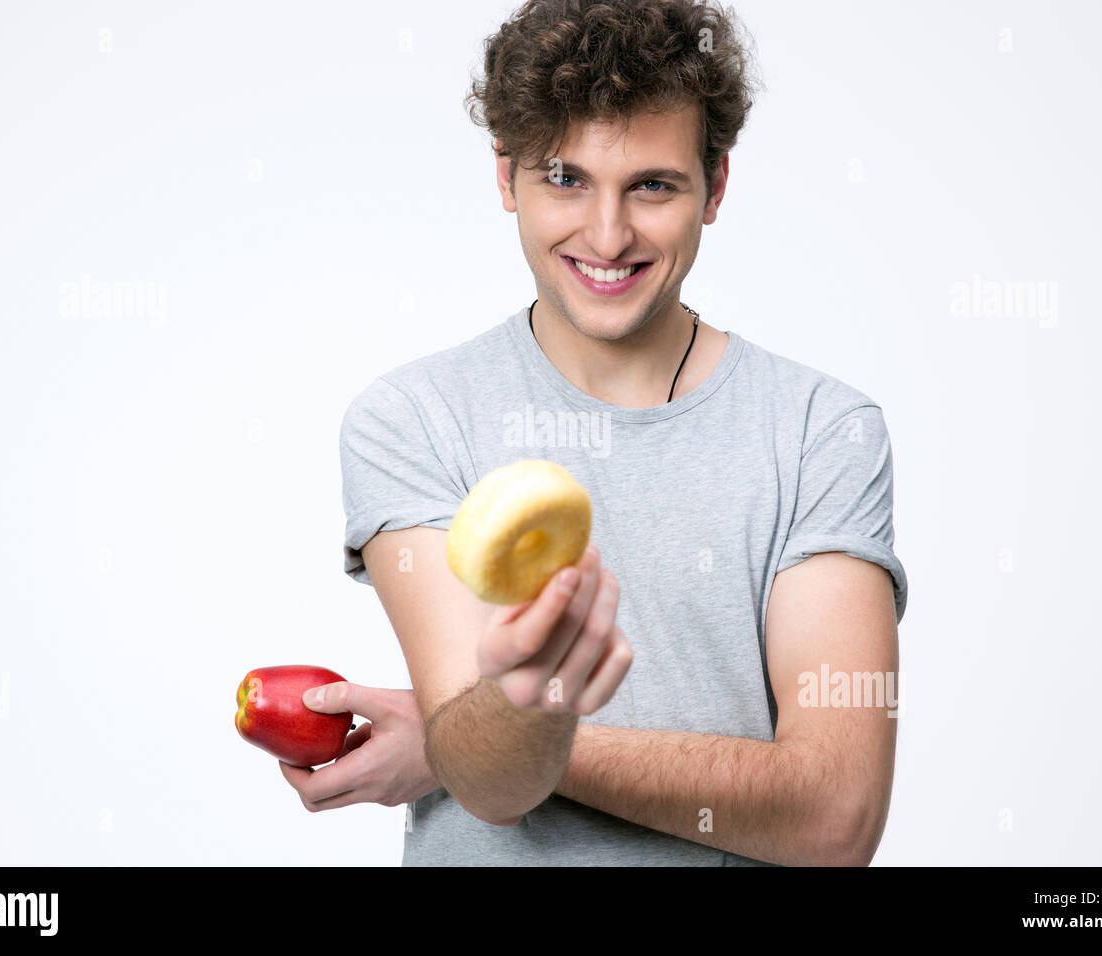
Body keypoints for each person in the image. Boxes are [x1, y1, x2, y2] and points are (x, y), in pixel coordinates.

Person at [279, 0, 908, 866]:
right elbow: (494, 784)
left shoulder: (820, 433)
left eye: (652, 184)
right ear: (506, 177)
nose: (607, 237)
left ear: (715, 186)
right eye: (566, 179)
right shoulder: (413, 419)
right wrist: (486, 742)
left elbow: (835, 818)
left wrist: (479, 738)